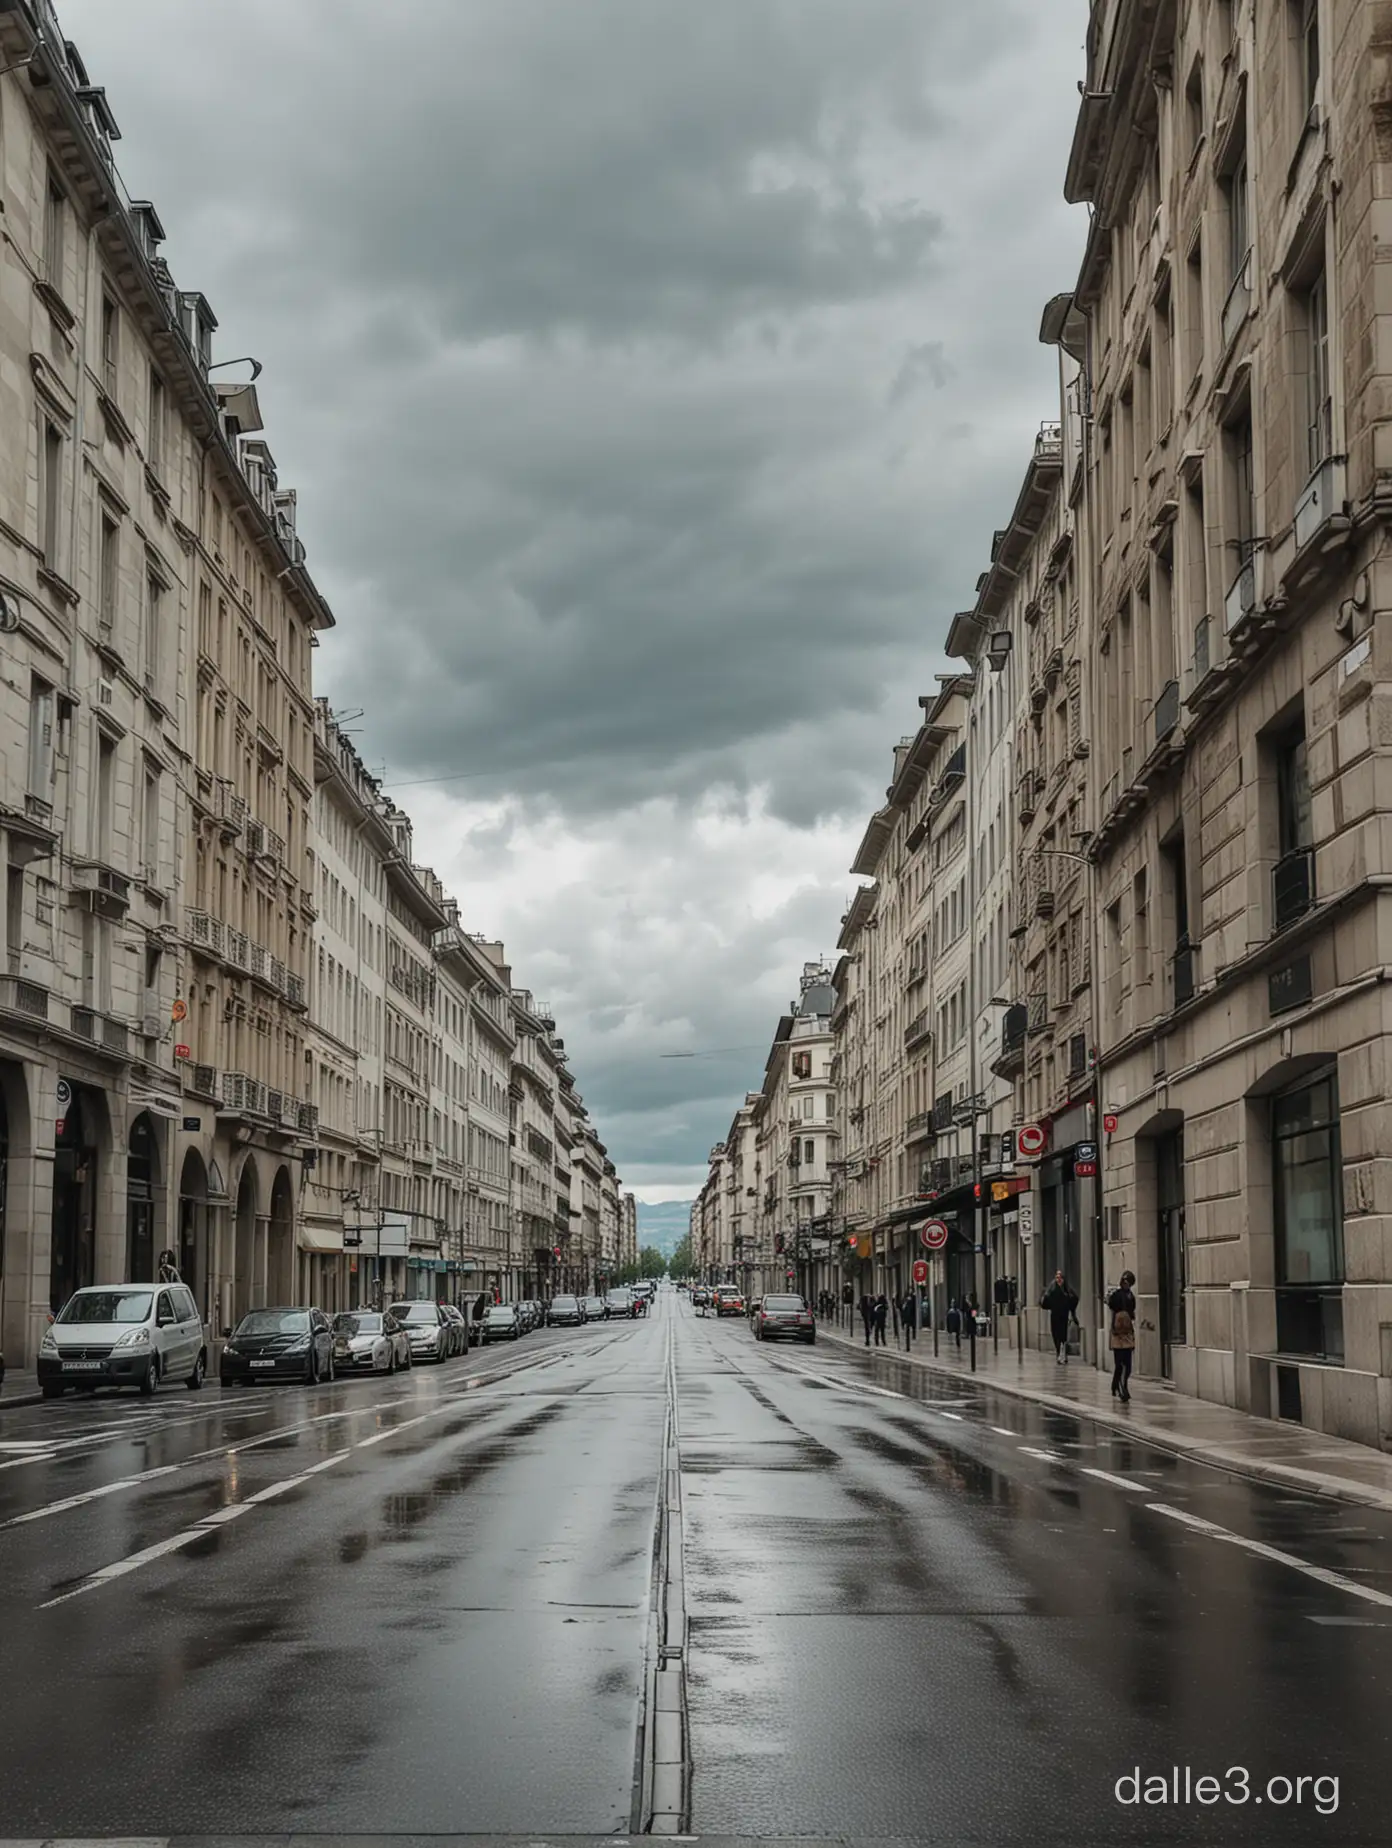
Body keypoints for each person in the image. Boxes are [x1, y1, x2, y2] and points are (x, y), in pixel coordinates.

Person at [1108, 1270, 1137, 1402]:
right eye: (1124, 1281)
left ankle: (1116, 1385)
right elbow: (1111, 1303)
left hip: (1128, 1333)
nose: (1126, 1284)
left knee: (1128, 1365)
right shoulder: (1116, 1295)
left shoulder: (1131, 1296)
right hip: (1118, 1334)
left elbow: (1132, 1314)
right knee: (1119, 1364)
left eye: (1128, 1282)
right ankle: (1121, 1389)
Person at [1041, 1270, 1078, 1364]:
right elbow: (1045, 1302)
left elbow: (1074, 1299)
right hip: (1055, 1315)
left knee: (1063, 1335)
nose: (1058, 1280)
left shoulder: (1067, 1290)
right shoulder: (1052, 1289)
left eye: (1060, 1277)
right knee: (1055, 1334)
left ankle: (1062, 1353)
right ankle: (1059, 1352)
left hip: (1064, 1315)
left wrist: (1071, 1310)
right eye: (1057, 1277)